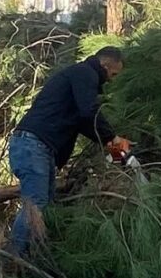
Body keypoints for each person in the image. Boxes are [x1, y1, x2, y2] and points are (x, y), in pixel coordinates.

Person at [7, 47, 130, 257]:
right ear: (105, 66)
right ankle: (13, 260)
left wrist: (115, 149)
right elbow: (89, 112)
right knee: (35, 204)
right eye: (113, 74)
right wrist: (113, 138)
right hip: (33, 145)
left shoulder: (80, 79)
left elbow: (85, 123)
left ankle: (35, 258)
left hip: (39, 147)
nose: (111, 80)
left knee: (45, 205)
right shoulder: (85, 73)